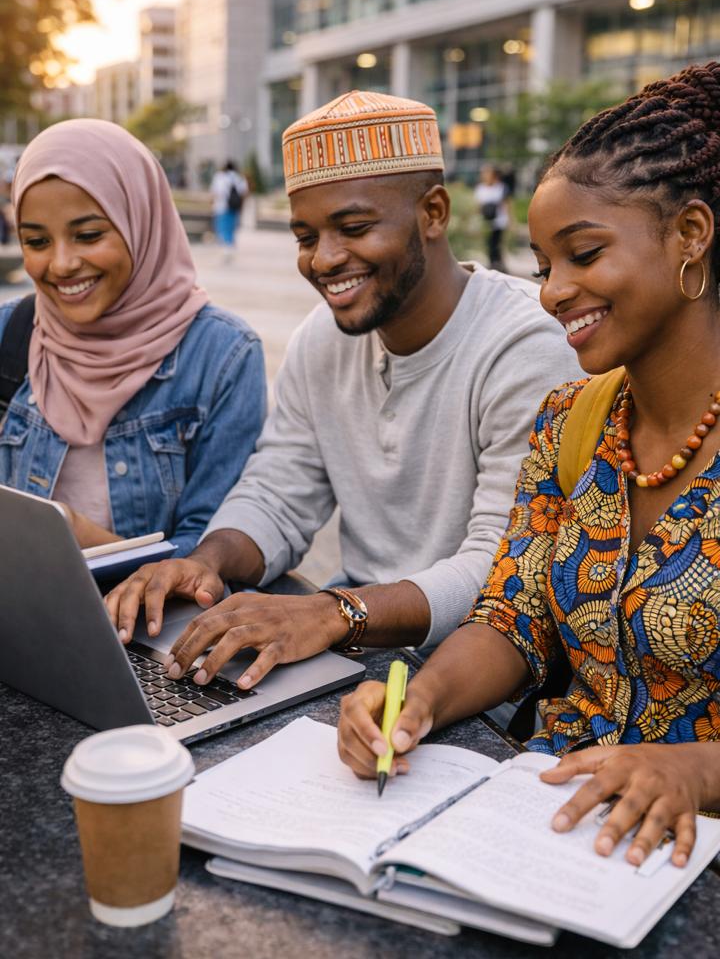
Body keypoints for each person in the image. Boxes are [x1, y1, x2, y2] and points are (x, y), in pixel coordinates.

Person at [338, 63, 720, 867]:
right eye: (545, 265)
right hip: (546, 828)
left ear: (690, 235)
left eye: (582, 254)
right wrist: (419, 701)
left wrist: (692, 769)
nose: (553, 292)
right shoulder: (571, 422)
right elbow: (514, 617)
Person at [106, 89, 579, 681]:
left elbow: (501, 567)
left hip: (484, 671)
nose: (324, 260)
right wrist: (205, 562)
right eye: (305, 237)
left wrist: (335, 614)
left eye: (352, 227)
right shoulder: (321, 338)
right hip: (351, 638)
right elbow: (280, 490)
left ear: (433, 213)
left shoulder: (526, 346)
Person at [0, 119, 266, 554]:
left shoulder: (223, 357)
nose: (62, 263)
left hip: (149, 622)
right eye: (36, 241)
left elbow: (212, 553)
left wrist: (77, 536)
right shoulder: (9, 334)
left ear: (141, 220)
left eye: (88, 235)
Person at [473, 164, 510, 272]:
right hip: (486, 222)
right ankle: (493, 264)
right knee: (489, 244)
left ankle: (498, 264)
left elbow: (506, 204)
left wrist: (509, 220)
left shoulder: (501, 187)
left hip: (499, 221)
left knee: (496, 244)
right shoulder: (480, 188)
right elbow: (478, 206)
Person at [210, 160, 248, 251]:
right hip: (234, 206)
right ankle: (230, 243)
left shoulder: (219, 177)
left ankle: (226, 245)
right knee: (231, 227)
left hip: (221, 206)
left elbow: (214, 192)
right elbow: (244, 192)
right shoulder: (238, 177)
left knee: (222, 227)